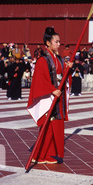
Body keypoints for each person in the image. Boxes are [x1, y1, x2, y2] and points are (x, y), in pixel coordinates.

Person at [27, 27, 73, 164]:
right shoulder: (43, 59)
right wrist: (52, 90)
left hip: (58, 96)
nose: (59, 44)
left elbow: (61, 74)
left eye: (59, 42)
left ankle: (50, 153)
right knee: (48, 127)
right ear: (48, 43)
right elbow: (40, 79)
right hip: (49, 96)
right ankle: (40, 154)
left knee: (56, 125)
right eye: (56, 42)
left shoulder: (58, 58)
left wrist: (67, 68)